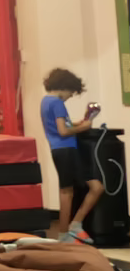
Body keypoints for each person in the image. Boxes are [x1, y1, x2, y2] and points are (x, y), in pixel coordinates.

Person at [40, 67, 104, 245]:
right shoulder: (57, 103)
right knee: (68, 192)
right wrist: (84, 127)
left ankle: (75, 224)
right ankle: (64, 233)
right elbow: (63, 131)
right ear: (64, 87)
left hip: (61, 150)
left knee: (95, 187)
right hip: (66, 150)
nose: (70, 96)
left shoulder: (46, 101)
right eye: (71, 92)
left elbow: (60, 126)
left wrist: (77, 123)